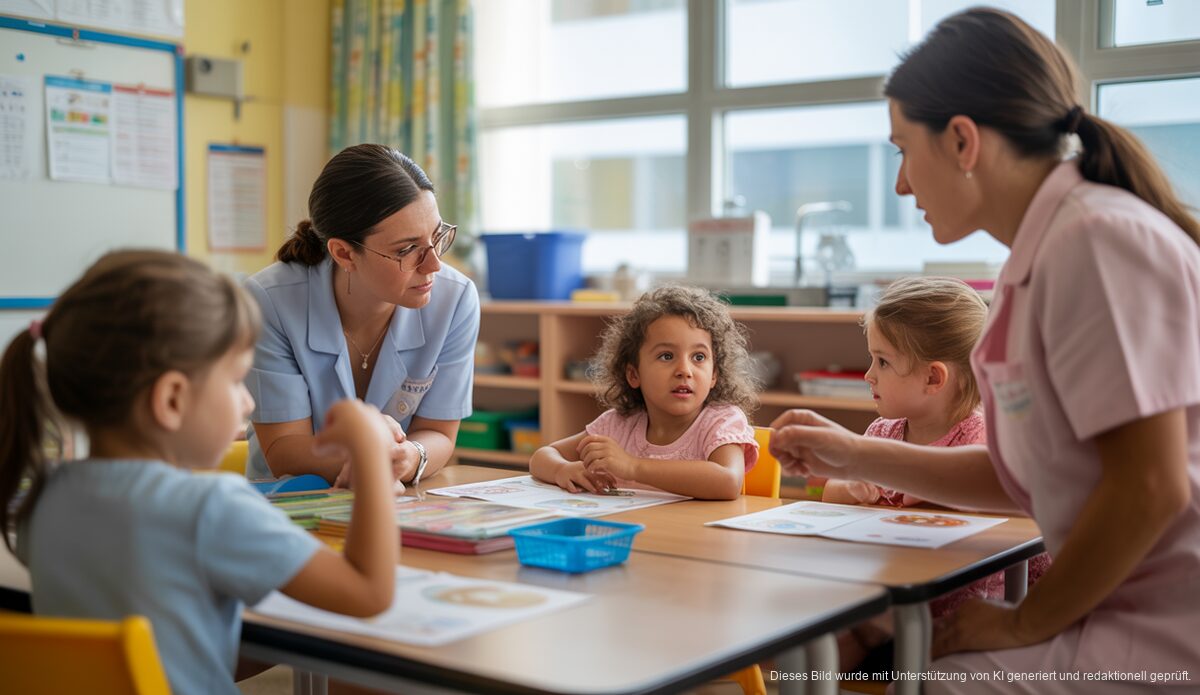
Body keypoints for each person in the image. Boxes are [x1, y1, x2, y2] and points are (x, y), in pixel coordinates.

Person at [770, 8, 1200, 693]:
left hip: (1166, 629)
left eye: (904, 150)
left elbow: (1149, 487)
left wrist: (1025, 621)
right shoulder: (1042, 259)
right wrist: (851, 451)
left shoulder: (1095, 243)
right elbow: (1026, 474)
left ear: (963, 141)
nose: (901, 185)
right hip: (1126, 609)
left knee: (938, 675)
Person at [0, 250, 398, 695]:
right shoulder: (211, 508)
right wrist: (368, 451)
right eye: (234, 381)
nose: (247, 404)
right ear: (171, 399)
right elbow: (369, 594)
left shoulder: (44, 499)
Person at [823, 276, 1049, 673]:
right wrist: (850, 486)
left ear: (933, 378)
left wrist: (921, 492)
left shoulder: (980, 437)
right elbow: (831, 492)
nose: (868, 375)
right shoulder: (882, 433)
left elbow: (973, 510)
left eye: (883, 361)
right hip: (891, 597)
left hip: (962, 617)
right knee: (821, 643)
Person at [244, 144, 480, 488]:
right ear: (344, 253)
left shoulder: (455, 300)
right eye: (406, 250)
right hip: (291, 501)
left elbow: (439, 433)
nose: (434, 265)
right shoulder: (269, 301)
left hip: (400, 494)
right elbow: (284, 449)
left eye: (436, 236)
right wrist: (372, 455)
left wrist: (409, 456)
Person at [530, 285, 759, 500]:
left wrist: (632, 466)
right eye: (666, 356)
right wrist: (563, 469)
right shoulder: (617, 426)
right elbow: (542, 456)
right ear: (634, 374)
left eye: (698, 357)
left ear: (714, 375)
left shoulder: (722, 421)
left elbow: (728, 481)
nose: (684, 370)